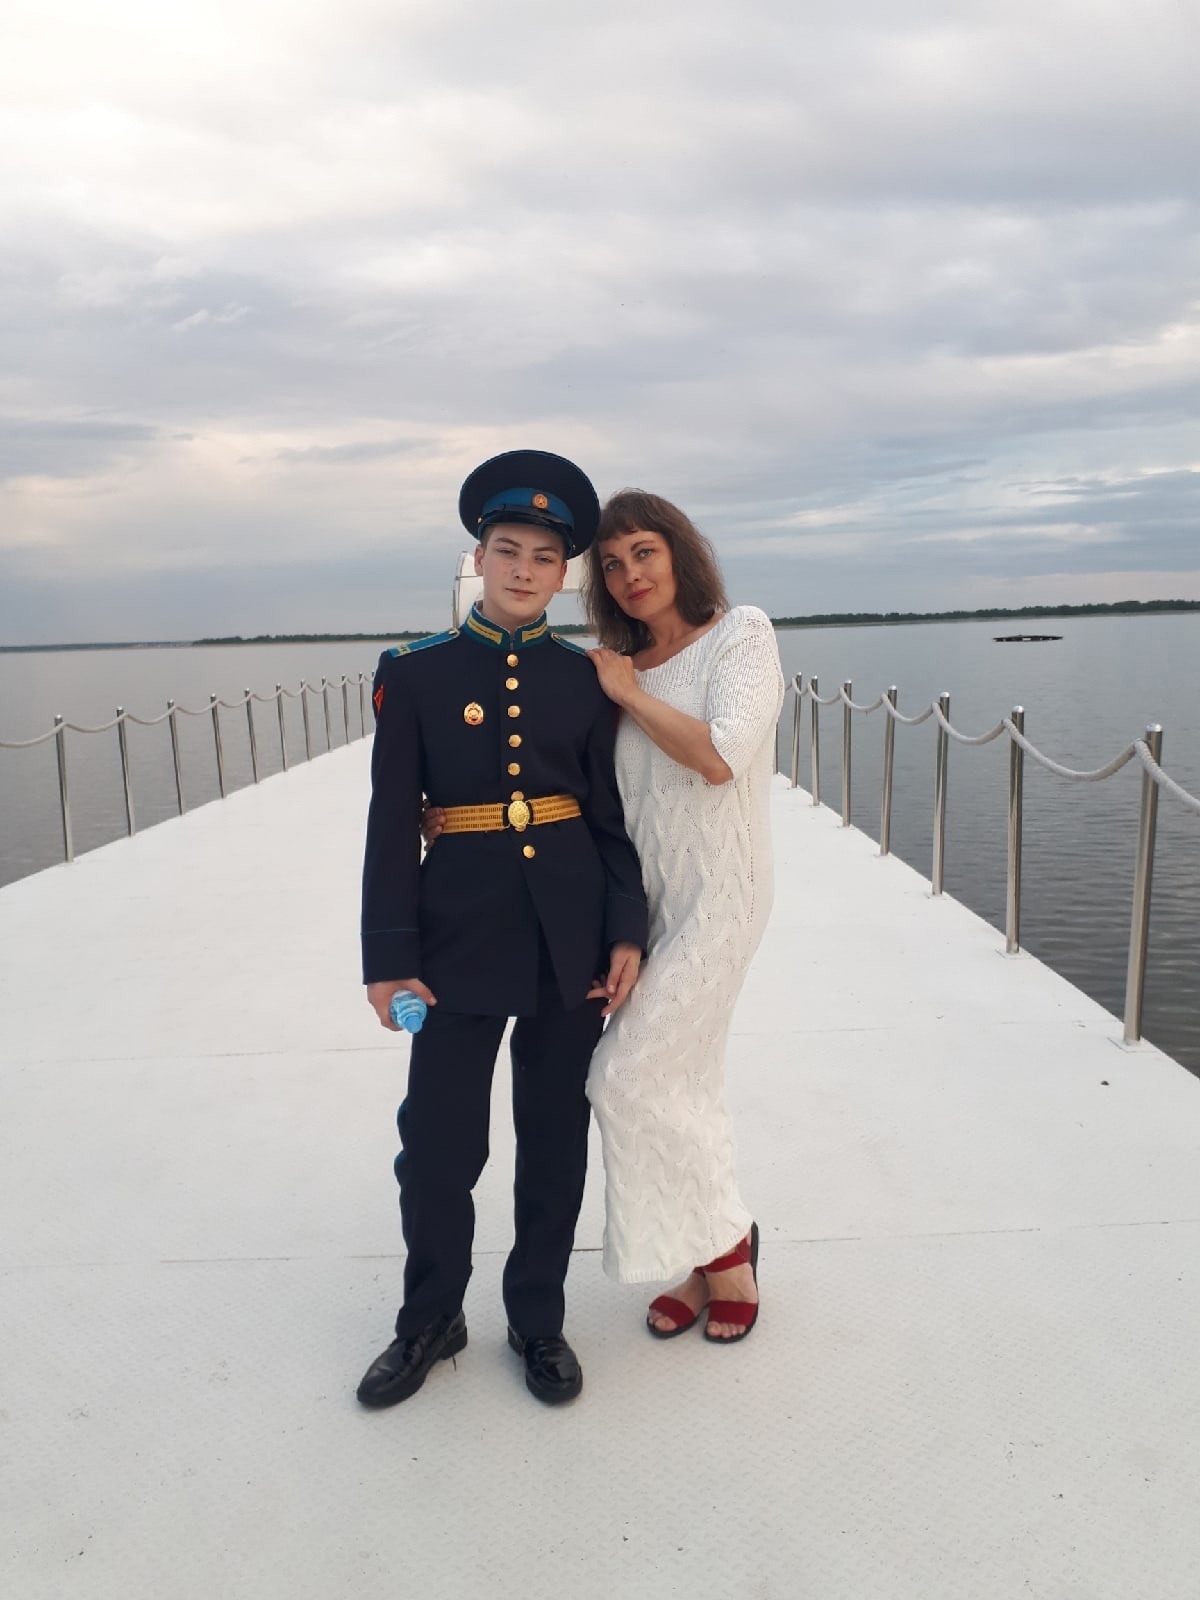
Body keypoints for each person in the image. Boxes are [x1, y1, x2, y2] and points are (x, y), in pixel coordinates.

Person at [356, 450, 648, 1410]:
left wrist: (625, 931)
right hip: (454, 941)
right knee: (438, 1146)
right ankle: (431, 1317)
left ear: (565, 574)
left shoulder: (587, 679)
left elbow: (608, 819)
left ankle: (537, 1318)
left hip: (570, 939)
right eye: (507, 549)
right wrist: (388, 958)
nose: (524, 569)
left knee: (555, 1139)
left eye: (544, 557)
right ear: (478, 558)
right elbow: (390, 824)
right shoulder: (416, 674)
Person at [582, 489, 784, 1343]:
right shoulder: (621, 666)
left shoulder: (741, 635)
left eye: (644, 552)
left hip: (724, 898)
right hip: (654, 903)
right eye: (612, 564)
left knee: (623, 1076)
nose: (630, 575)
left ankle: (728, 1246)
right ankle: (704, 1258)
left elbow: (718, 755)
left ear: (679, 552)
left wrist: (627, 694)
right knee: (683, 1081)